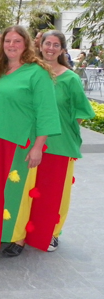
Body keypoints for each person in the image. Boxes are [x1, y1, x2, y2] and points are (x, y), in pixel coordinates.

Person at [0, 26, 61, 257]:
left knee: (16, 192)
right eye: (7, 41)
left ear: (26, 44)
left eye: (17, 41)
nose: (11, 45)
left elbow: (46, 111)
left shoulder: (37, 72)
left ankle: (18, 237)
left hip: (18, 142)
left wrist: (38, 146)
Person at [25, 30, 95, 252]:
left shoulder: (70, 78)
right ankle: (24, 231)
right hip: (30, 143)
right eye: (47, 43)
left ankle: (51, 232)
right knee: (30, 191)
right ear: (40, 45)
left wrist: (63, 128)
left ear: (63, 50)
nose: (51, 48)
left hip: (59, 144)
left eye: (56, 45)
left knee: (54, 192)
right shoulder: (31, 73)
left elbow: (81, 112)